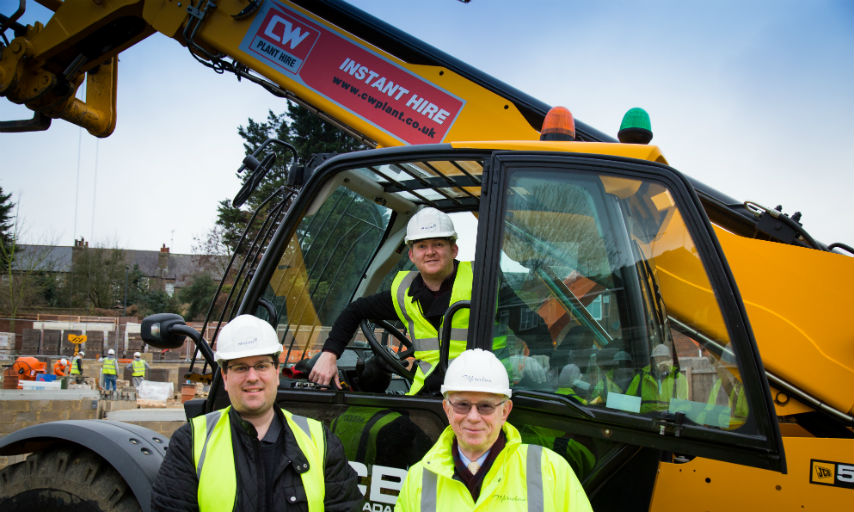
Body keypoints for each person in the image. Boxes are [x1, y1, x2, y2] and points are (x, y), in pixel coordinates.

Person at [310, 207, 549, 395]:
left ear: (453, 250)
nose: (430, 252)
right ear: (412, 255)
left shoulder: (485, 284)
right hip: (427, 396)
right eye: (422, 246)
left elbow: (533, 326)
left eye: (438, 244)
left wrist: (542, 361)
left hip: (478, 394)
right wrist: (330, 354)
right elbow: (356, 310)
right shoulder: (403, 293)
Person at [151, 314, 361, 512]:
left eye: (261, 366)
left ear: (276, 373)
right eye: (240, 368)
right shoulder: (191, 442)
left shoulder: (320, 441)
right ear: (225, 377)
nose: (252, 377)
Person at [395, 349, 593, 511]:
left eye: (485, 406)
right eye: (462, 405)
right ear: (447, 409)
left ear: (505, 411)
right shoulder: (419, 478)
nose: (473, 417)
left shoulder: (552, 471)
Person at [625, 343, 688, 413]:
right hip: (645, 420)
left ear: (669, 360)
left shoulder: (678, 378)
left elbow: (683, 405)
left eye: (664, 359)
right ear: (652, 361)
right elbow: (627, 404)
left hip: (669, 421)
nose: (661, 362)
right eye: (658, 359)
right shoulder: (640, 378)